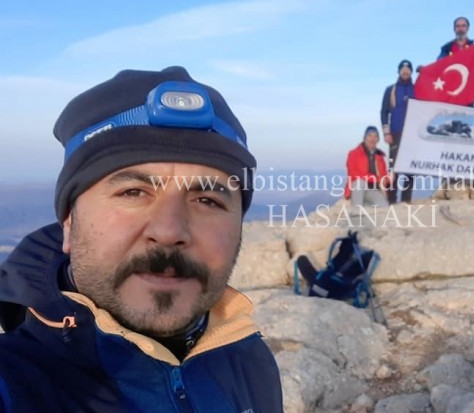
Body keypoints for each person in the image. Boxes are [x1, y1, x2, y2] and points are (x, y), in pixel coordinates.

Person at [0, 67, 283, 411]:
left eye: (207, 200)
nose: (169, 231)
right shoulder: (14, 384)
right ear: (70, 224)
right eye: (133, 192)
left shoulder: (249, 361)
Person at [381, 59, 416, 204]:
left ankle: (406, 200)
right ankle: (391, 200)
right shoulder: (391, 90)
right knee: (393, 169)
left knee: (410, 168)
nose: (405, 72)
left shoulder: (418, 89)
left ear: (411, 72)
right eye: (403, 69)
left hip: (413, 135)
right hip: (395, 134)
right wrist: (386, 132)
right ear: (399, 71)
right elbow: (384, 112)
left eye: (408, 70)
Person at [344, 126, 390, 207]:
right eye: (369, 136)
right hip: (358, 188)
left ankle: (364, 206)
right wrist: (373, 178)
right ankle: (357, 208)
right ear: (365, 138)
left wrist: (389, 179)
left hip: (373, 190)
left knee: (384, 206)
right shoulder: (354, 153)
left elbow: (383, 178)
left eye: (375, 136)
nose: (372, 139)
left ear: (378, 140)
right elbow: (353, 174)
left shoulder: (380, 157)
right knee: (359, 182)